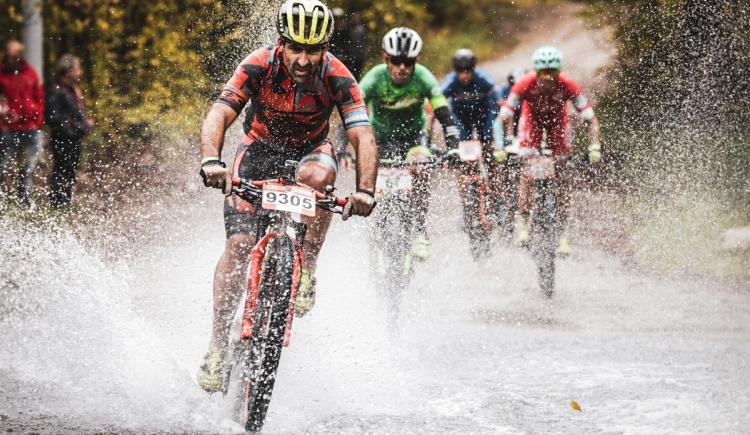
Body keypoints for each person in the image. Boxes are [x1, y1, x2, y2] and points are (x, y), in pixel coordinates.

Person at [196, 0, 378, 393]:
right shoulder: (259, 63)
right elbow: (220, 113)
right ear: (281, 42)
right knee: (240, 243)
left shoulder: (337, 75)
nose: (303, 59)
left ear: (325, 47)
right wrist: (212, 160)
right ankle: (215, 346)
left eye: (313, 50)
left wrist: (365, 191)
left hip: (311, 151)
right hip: (258, 150)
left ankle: (307, 268)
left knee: (320, 177)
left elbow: (362, 134)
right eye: (295, 48)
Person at [359, 27, 461, 260]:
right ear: (387, 59)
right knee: (370, 175)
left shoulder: (423, 76)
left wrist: (454, 146)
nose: (402, 68)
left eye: (408, 62)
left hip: (414, 137)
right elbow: (351, 111)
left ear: (416, 61)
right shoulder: (375, 77)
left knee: (421, 165)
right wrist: (343, 145)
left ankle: (420, 230)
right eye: (397, 61)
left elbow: (444, 114)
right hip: (381, 138)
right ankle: (375, 226)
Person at [499, 46, 602, 254]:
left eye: (552, 73)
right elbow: (503, 116)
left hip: (558, 123)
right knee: (527, 171)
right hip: (531, 123)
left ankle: (563, 235)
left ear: (558, 72)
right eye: (543, 74)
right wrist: (501, 146)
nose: (547, 79)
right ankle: (524, 225)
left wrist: (594, 146)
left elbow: (591, 119)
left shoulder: (568, 84)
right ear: (536, 72)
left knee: (563, 174)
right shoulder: (524, 83)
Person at [0, 40, 44, 208]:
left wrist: (37, 121)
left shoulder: (30, 73)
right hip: (8, 129)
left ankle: (24, 199)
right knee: (4, 165)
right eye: (9, 55)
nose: (12, 59)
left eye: (15, 56)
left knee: (28, 166)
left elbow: (38, 97)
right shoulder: (2, 75)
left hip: (30, 128)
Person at [46, 54, 93, 207]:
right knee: (62, 171)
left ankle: (64, 202)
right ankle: (58, 203)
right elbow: (54, 118)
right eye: (77, 69)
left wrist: (83, 126)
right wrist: (79, 129)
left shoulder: (72, 89)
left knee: (70, 172)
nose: (80, 72)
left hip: (73, 139)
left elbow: (73, 114)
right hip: (63, 139)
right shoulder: (56, 89)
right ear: (68, 71)